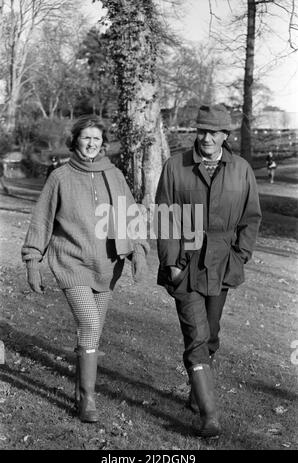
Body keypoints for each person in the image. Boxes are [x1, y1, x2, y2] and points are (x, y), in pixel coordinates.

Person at [22, 115, 149, 423]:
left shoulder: (114, 174)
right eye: (85, 138)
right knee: (90, 324)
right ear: (75, 140)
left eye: (96, 139)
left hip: (107, 265)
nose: (91, 144)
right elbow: (42, 219)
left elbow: (130, 216)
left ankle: (82, 390)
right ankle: (87, 399)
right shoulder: (61, 177)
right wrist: (32, 261)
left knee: (92, 332)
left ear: (102, 143)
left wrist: (138, 252)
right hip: (71, 262)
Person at [155, 104, 262, 438]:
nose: (207, 138)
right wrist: (171, 263)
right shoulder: (176, 166)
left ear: (225, 136)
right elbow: (164, 216)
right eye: (201, 131)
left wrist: (240, 255)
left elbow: (251, 217)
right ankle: (210, 417)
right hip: (184, 264)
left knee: (210, 334)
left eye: (214, 132)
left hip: (222, 265)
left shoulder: (241, 169)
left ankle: (196, 392)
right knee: (197, 337)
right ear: (195, 133)